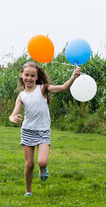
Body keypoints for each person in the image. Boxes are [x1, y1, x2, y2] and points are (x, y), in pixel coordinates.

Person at [9, 62, 81, 197]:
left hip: (43, 131)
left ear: (37, 77)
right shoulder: (21, 95)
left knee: (42, 162)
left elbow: (63, 88)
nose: (29, 78)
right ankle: (28, 191)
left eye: (32, 75)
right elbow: (14, 113)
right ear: (21, 75)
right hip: (27, 131)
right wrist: (12, 118)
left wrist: (73, 77)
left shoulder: (42, 89)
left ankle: (43, 169)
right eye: (26, 75)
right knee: (29, 164)